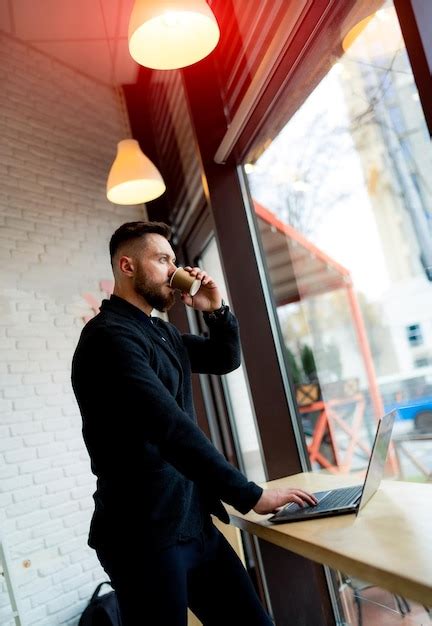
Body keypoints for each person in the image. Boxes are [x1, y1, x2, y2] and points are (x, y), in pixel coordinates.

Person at [71, 221, 317, 626]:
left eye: (174, 260)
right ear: (127, 266)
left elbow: (224, 358)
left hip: (192, 522)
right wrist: (250, 494)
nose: (174, 270)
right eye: (163, 259)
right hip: (143, 535)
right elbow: (169, 427)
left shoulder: (159, 333)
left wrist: (217, 310)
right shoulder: (108, 338)